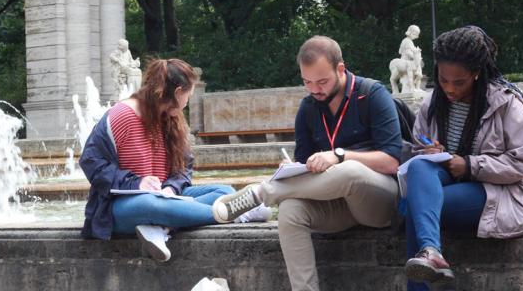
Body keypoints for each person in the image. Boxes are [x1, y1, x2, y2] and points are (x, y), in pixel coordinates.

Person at [212, 35, 403, 291]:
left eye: (322, 81)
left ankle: (264, 192)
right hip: (337, 206)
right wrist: (291, 170)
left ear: (340, 69)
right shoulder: (308, 107)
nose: (315, 89)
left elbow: (391, 161)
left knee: (347, 169)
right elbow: (305, 169)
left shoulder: (372, 94)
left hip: (379, 201)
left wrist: (338, 155)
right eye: (307, 82)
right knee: (290, 210)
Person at [402, 26, 523, 290]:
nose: (449, 88)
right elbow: (416, 150)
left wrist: (469, 165)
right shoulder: (431, 103)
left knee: (416, 206)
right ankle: (431, 252)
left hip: (499, 191)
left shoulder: (505, 103)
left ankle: (426, 265)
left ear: (477, 73)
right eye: (443, 80)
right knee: (421, 167)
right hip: (448, 182)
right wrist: (432, 152)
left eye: (459, 82)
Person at [79, 58, 269, 262]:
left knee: (224, 192)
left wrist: (171, 187)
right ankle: (233, 214)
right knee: (150, 204)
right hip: (120, 207)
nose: (188, 100)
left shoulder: (172, 118)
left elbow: (184, 167)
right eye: (189, 94)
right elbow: (90, 161)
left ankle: (162, 227)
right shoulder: (121, 115)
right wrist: (136, 182)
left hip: (165, 198)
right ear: (178, 92)